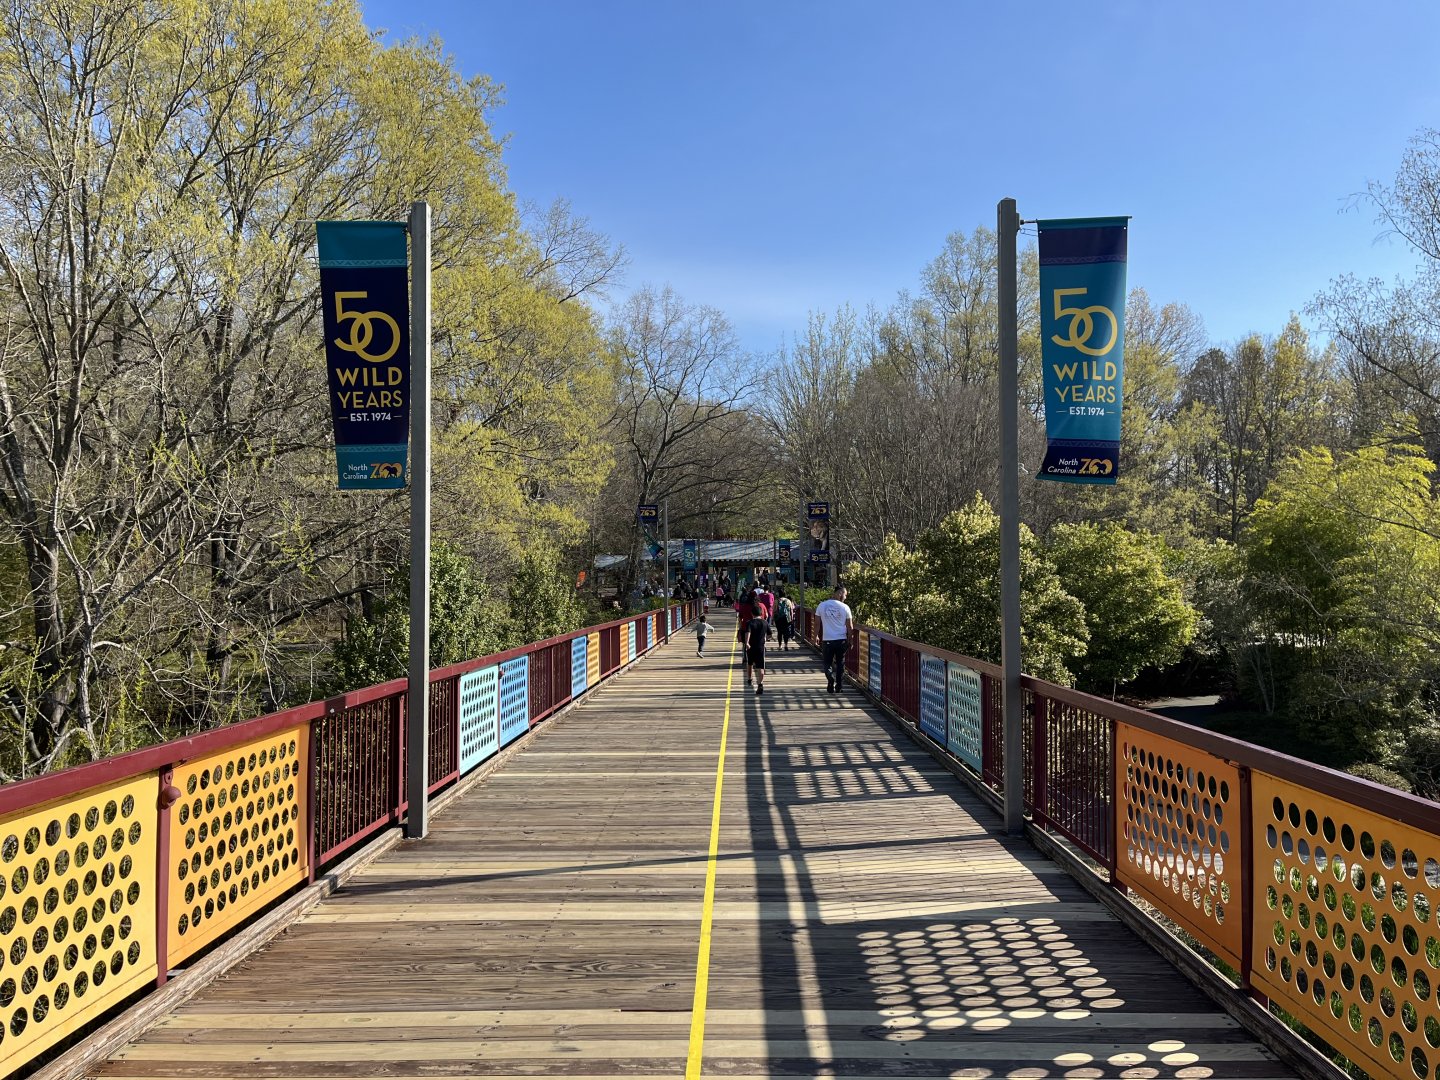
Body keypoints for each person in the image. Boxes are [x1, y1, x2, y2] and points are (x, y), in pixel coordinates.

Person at [815, 584, 854, 693]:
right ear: (840, 593)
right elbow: (850, 626)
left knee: (827, 663)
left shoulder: (822, 605)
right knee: (840, 663)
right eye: (845, 595)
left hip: (827, 639)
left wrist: (816, 636)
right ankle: (839, 686)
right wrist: (850, 639)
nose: (845, 597)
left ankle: (829, 678)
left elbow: (817, 623)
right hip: (841, 640)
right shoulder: (845, 607)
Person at [745, 600, 770, 694]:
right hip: (761, 647)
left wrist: (747, 643)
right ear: (761, 613)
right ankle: (760, 684)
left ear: (752, 614)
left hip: (751, 646)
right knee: (761, 666)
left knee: (750, 663)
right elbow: (769, 635)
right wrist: (765, 639)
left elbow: (748, 633)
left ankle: (749, 678)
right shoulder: (765, 623)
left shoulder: (749, 623)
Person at [733, 588, 755, 684]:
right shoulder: (756, 606)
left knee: (744, 644)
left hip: (745, 626)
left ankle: (745, 657)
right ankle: (754, 658)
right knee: (754, 642)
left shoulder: (744, 606)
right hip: (755, 627)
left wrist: (740, 625)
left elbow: (740, 616)